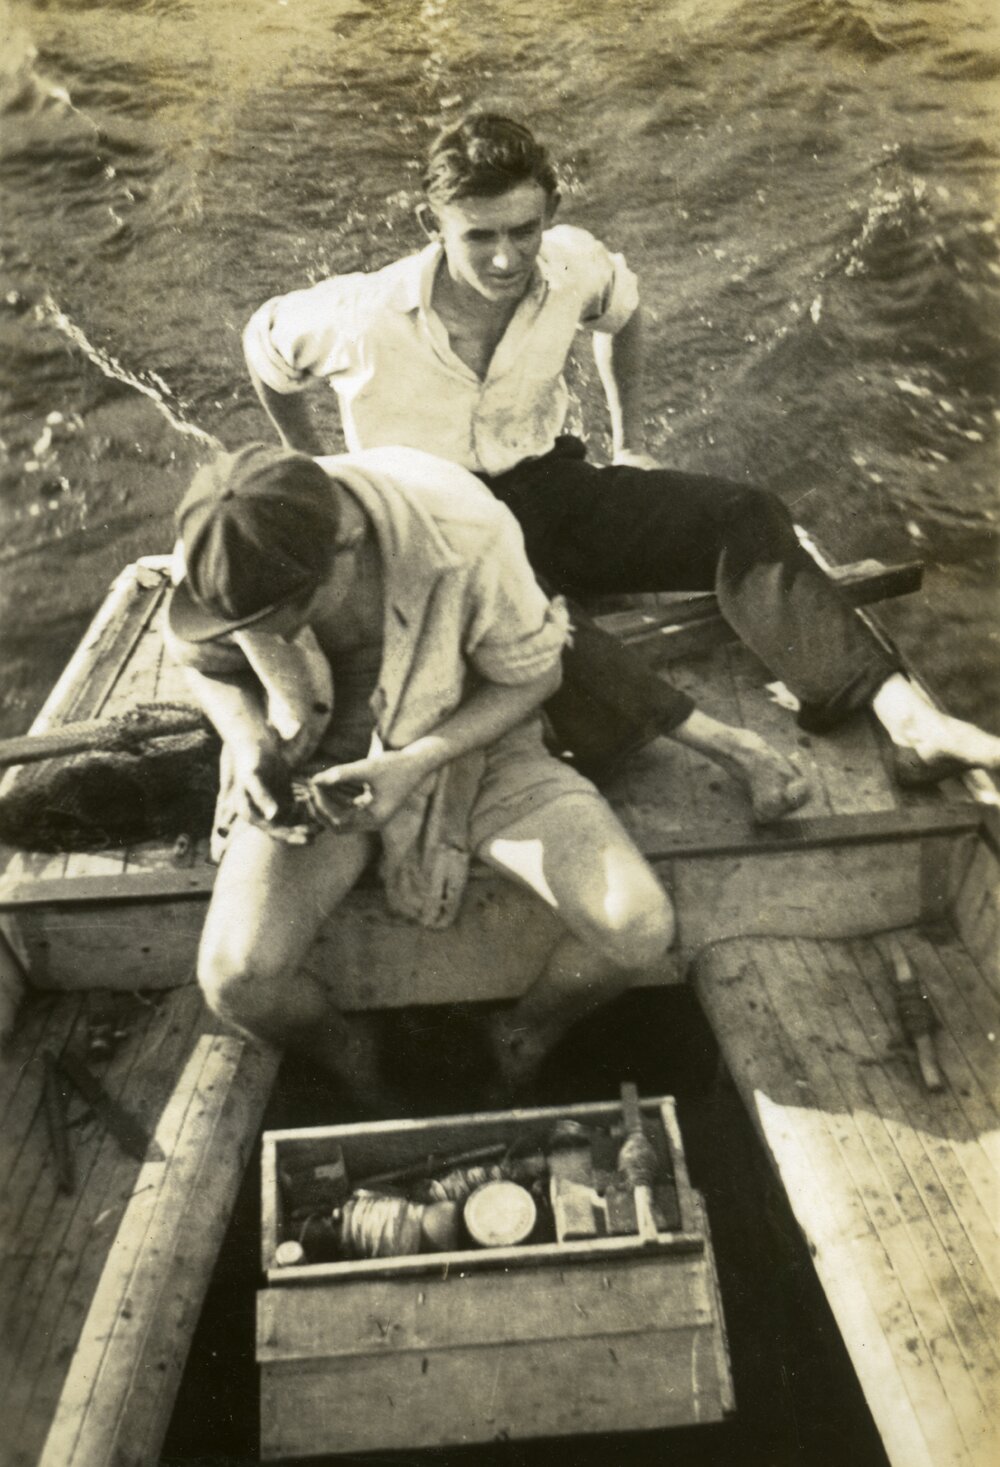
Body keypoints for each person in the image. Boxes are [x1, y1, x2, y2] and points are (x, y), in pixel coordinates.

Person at [243, 111, 1000, 789]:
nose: (506, 259)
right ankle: (720, 751)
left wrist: (629, 442)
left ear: (551, 213)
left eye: (523, 230)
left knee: (744, 513)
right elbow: (264, 354)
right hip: (434, 526)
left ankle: (909, 722)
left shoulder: (573, 263)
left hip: (548, 485)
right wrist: (315, 468)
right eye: (479, 236)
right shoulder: (356, 315)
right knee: (537, 626)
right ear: (430, 223)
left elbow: (624, 316)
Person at [165, 442, 674, 1107]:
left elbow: (534, 677)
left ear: (345, 546)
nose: (277, 639)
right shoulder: (220, 549)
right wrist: (250, 740)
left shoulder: (467, 529)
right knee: (237, 979)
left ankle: (520, 1037)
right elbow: (203, 661)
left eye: (289, 621)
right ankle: (355, 1056)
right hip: (313, 769)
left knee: (637, 925)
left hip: (473, 749)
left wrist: (416, 761)